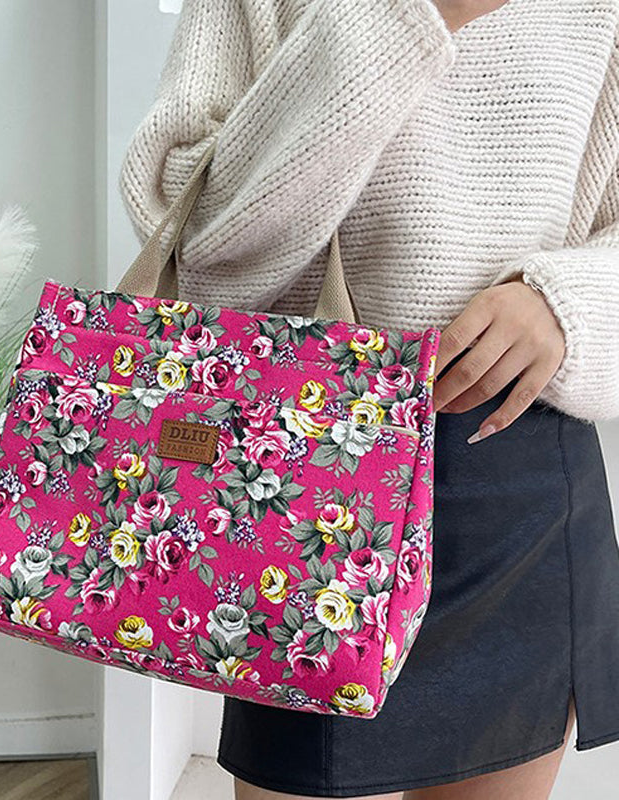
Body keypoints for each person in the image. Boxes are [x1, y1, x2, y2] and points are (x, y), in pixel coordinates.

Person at [118, 0, 619, 797]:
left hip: (517, 478)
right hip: (309, 480)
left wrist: (569, 306)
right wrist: (404, 17)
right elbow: (199, 241)